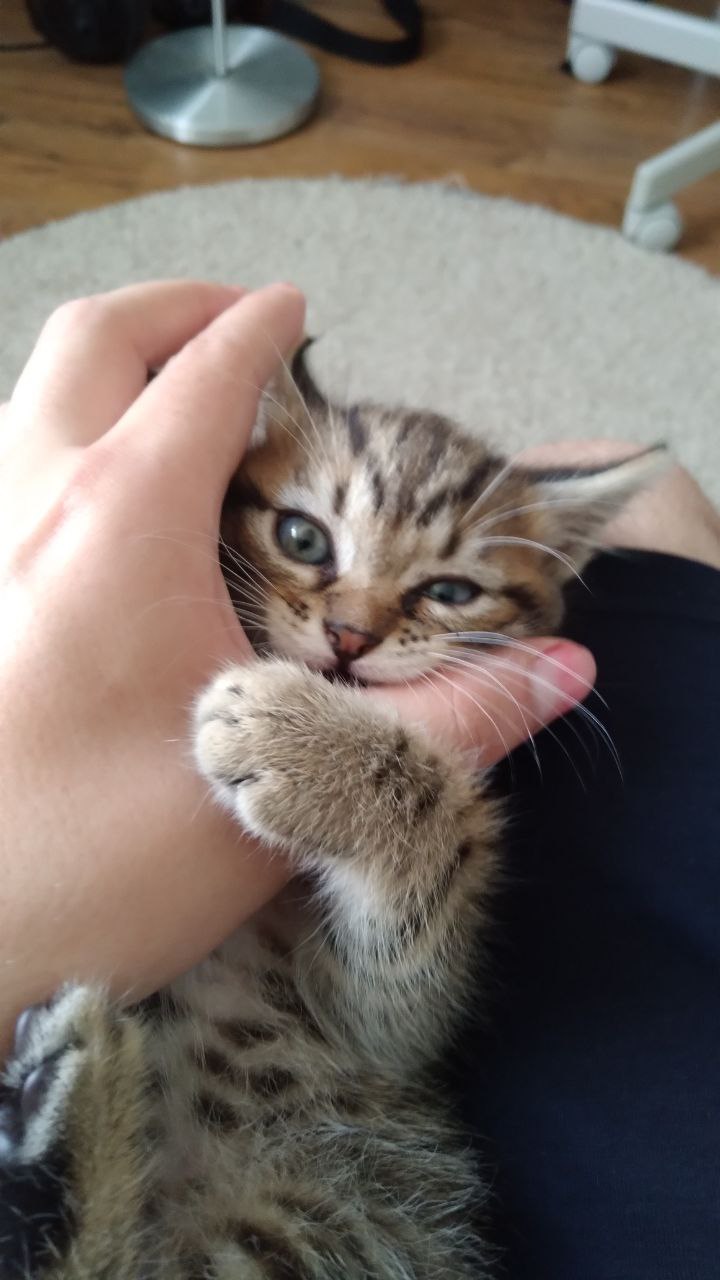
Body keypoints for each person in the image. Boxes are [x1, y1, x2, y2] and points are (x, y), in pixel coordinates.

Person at [1, 281, 717, 1276]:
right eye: (304, 541)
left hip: (268, 1187)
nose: (355, 624)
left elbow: (384, 1024)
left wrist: (400, 813)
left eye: (448, 590)